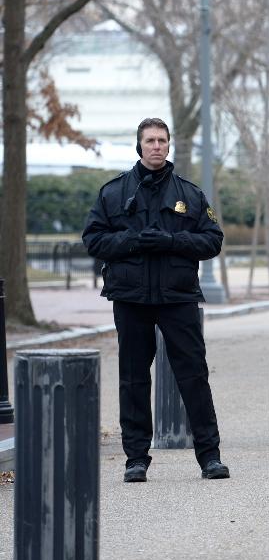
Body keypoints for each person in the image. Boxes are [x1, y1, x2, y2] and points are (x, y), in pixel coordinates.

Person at [83, 118, 230, 482]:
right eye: (150, 140)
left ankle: (209, 457)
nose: (156, 146)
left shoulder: (190, 194)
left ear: (169, 146)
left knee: (193, 375)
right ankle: (136, 458)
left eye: (162, 141)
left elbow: (213, 240)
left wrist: (171, 241)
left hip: (177, 297)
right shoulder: (113, 192)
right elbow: (93, 240)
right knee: (133, 379)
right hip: (130, 298)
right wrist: (132, 240)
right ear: (139, 145)